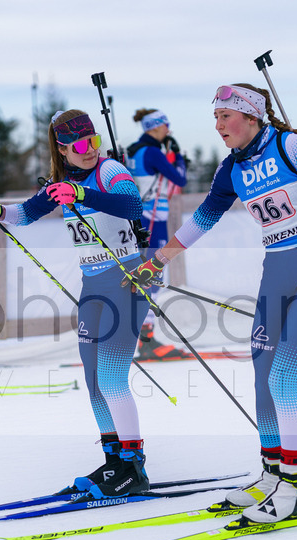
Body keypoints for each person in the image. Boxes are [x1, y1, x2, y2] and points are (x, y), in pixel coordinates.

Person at [123, 83, 297, 525]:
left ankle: (293, 488)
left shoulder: (292, 146)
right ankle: (271, 473)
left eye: (225, 116)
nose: (218, 126)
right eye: (216, 118)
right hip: (276, 269)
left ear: (251, 116)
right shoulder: (232, 169)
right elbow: (204, 217)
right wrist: (157, 260)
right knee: (262, 373)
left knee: (284, 376)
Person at [0, 110, 150, 498]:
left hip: (126, 279)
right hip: (93, 286)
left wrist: (82, 193)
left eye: (94, 141)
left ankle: (134, 468)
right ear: (64, 150)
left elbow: (132, 206)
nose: (91, 150)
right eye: (82, 145)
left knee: (113, 378)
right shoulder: (61, 181)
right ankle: (114, 460)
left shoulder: (111, 170)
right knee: (93, 380)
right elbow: (28, 212)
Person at [126, 109, 189, 360]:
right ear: (154, 127)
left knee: (144, 276)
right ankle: (146, 341)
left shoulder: (135, 150)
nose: (168, 131)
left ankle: (143, 338)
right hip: (153, 221)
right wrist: (180, 158)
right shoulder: (152, 151)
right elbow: (180, 179)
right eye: (166, 126)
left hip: (139, 219)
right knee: (151, 276)